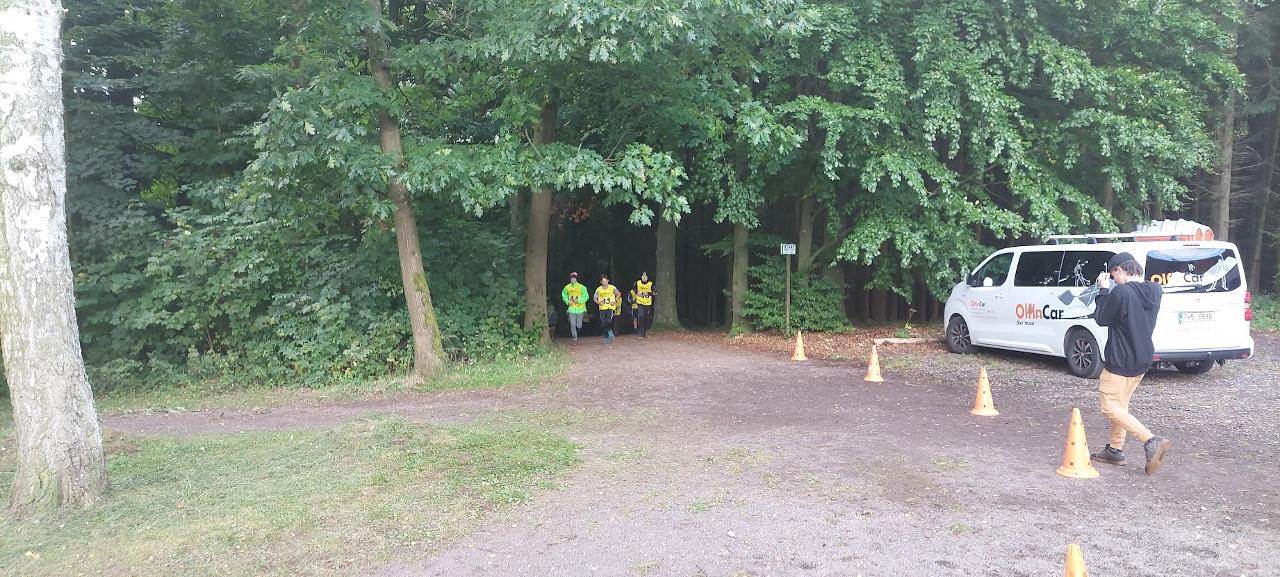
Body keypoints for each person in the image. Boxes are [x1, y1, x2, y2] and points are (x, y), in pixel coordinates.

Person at [1090, 252, 1172, 475]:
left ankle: (1151, 440)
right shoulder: (1154, 290)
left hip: (1120, 359)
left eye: (1113, 275)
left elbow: (1101, 318)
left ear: (1119, 270)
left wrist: (1103, 290)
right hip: (1142, 358)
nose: (1113, 280)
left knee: (1109, 407)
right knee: (1120, 405)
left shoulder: (1121, 292)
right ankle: (1114, 450)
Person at [594, 274, 622, 345]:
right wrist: (598, 302)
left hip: (610, 307)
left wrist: (615, 301)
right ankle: (606, 337)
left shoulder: (612, 288)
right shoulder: (599, 289)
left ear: (608, 281)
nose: (605, 283)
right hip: (602, 308)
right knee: (604, 323)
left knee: (609, 321)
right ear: (601, 282)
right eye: (603, 281)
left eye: (606, 281)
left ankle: (610, 332)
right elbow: (594, 298)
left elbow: (619, 294)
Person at [561, 272, 589, 341]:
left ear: (576, 279)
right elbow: (564, 295)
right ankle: (574, 336)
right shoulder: (567, 287)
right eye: (571, 278)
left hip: (580, 308)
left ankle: (577, 331)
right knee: (572, 324)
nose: (573, 279)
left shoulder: (582, 287)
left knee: (579, 325)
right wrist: (568, 301)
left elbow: (586, 296)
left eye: (574, 278)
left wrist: (579, 301)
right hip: (571, 308)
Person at [632, 272, 655, 338]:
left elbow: (655, 292)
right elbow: (634, 289)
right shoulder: (638, 282)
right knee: (641, 316)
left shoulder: (651, 283)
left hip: (647, 303)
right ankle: (640, 332)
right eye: (643, 276)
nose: (644, 278)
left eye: (645, 276)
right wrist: (637, 292)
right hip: (640, 302)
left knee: (646, 317)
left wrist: (648, 293)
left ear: (647, 277)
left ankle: (644, 332)